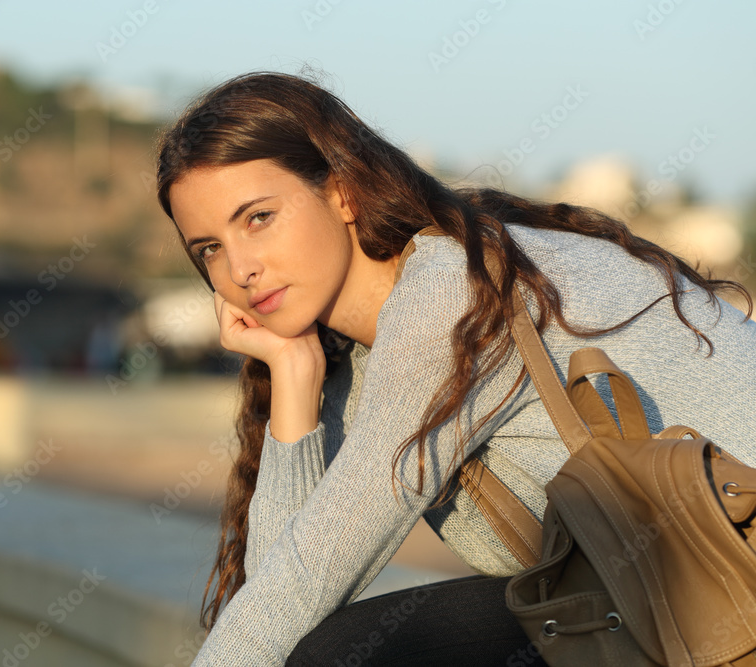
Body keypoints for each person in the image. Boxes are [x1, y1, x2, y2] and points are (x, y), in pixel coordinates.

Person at [154, 70, 756, 666]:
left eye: (258, 218)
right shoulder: (357, 360)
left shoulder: (451, 299)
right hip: (654, 600)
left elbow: (302, 583)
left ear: (342, 193)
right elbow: (279, 589)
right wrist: (292, 372)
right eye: (208, 248)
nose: (239, 268)